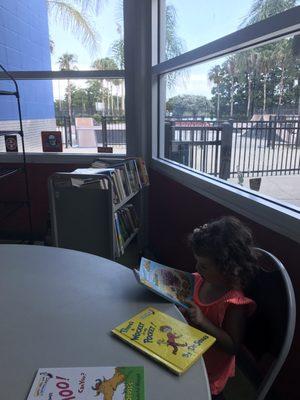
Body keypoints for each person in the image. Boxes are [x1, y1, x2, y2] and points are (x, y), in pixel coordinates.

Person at [181, 216, 258, 400]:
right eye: (197, 262)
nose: (197, 268)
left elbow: (232, 346)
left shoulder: (233, 304)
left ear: (228, 269)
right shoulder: (200, 280)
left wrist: (202, 321)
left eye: (204, 266)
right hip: (186, 351)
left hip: (207, 373)